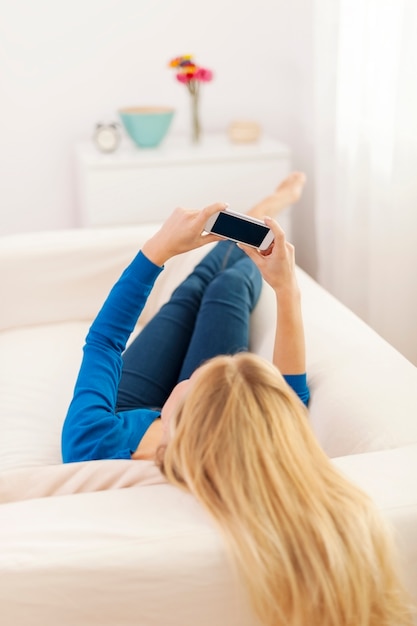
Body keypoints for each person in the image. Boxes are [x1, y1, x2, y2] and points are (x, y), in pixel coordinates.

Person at [61, 173, 412, 626]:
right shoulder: (240, 438)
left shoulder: (93, 443)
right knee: (226, 289)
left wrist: (158, 250)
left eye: (202, 377)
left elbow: (105, 342)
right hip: (206, 417)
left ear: (180, 420)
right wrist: (285, 288)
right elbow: (287, 397)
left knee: (189, 292)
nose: (202, 371)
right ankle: (263, 214)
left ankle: (257, 216)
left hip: (125, 406)